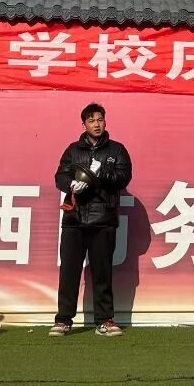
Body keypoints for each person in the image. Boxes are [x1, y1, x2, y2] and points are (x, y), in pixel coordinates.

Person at [50, 102, 133, 337]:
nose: (96, 124)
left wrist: (101, 173)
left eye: (100, 119)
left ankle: (104, 321)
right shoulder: (73, 150)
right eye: (91, 120)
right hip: (74, 219)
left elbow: (123, 177)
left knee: (102, 273)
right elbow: (60, 176)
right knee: (69, 272)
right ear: (84, 124)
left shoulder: (117, 150)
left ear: (105, 122)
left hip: (103, 219)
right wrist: (71, 184)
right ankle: (63, 320)